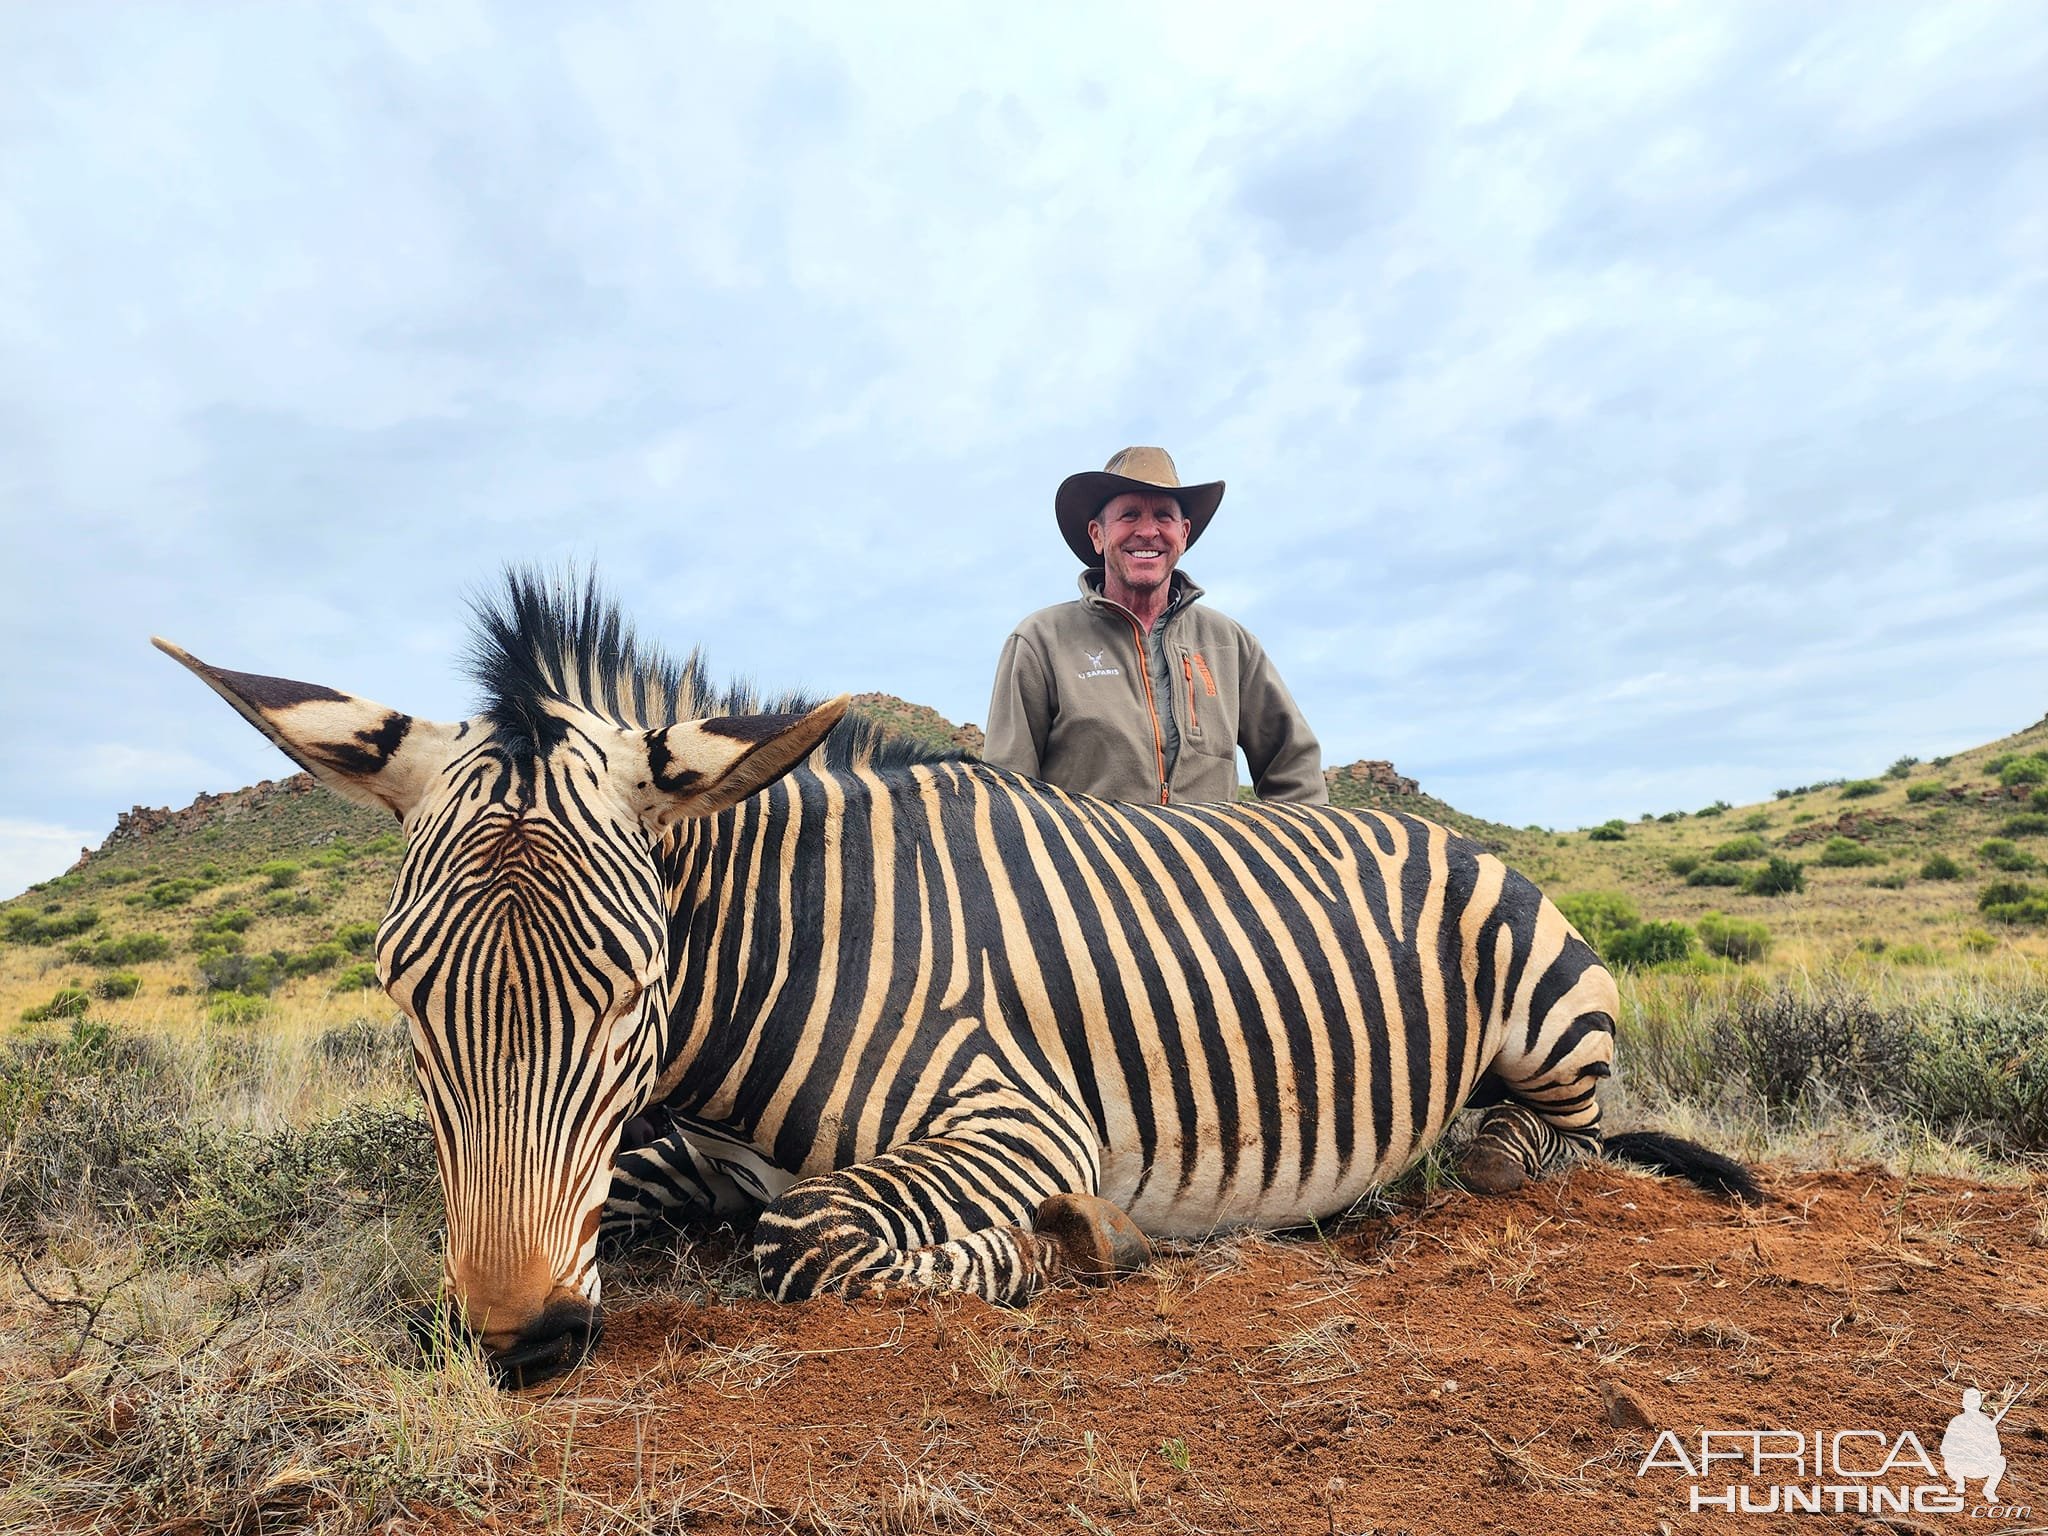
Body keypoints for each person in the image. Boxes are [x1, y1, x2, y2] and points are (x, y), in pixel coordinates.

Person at [985, 446, 1327, 808]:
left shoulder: (1231, 645)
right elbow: (1007, 794)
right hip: (1088, 865)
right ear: (1097, 535)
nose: (1148, 532)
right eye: (1129, 515)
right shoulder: (1040, 640)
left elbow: (1295, 771)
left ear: (1183, 533)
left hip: (1209, 864)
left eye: (1163, 517)